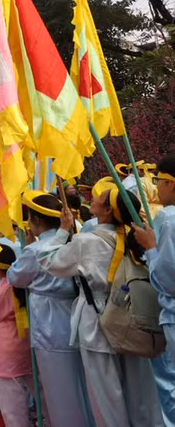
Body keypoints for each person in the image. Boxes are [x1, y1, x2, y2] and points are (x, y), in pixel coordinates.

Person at [38, 186, 164, 426]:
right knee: (140, 394)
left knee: (106, 399)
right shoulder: (137, 238)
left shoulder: (88, 241)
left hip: (97, 320)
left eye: (100, 197)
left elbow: (48, 260)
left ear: (108, 210)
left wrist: (63, 230)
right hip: (133, 316)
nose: (93, 198)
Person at [6, 191, 92, 427]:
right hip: (77, 316)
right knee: (81, 385)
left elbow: (15, 277)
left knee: (58, 389)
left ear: (36, 220)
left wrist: (27, 249)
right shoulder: (74, 241)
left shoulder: (36, 250)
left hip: (50, 321)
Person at [134, 154, 175, 426]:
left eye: (159, 181)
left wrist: (150, 247)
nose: (156, 187)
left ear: (172, 184)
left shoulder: (168, 219)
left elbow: (168, 279)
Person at [0, 243, 37, 427]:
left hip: (8, 344)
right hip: (24, 340)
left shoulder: (5, 288)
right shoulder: (21, 282)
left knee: (10, 397)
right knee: (35, 387)